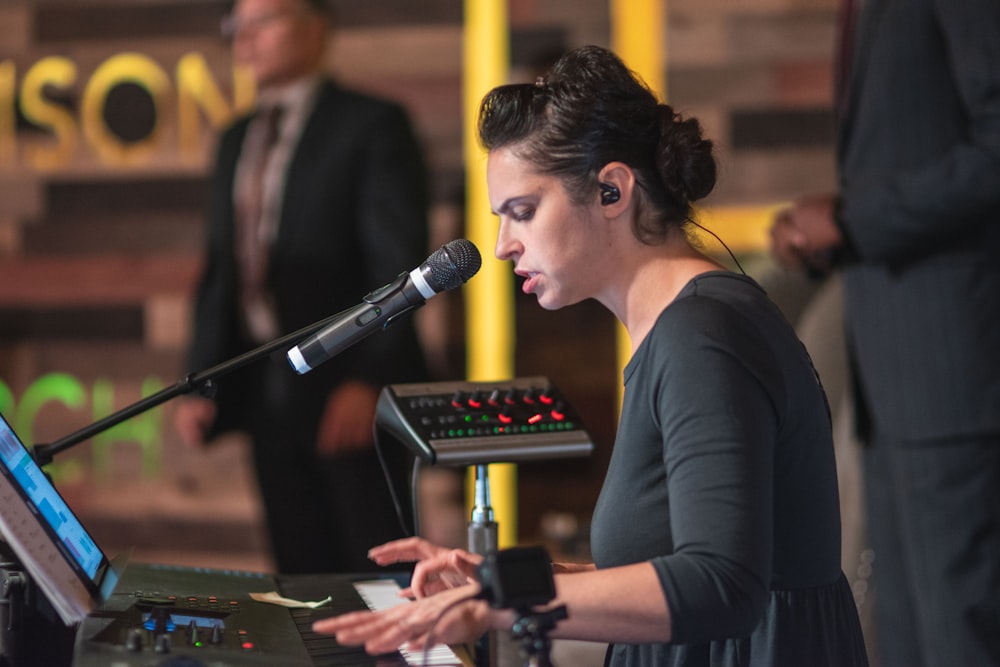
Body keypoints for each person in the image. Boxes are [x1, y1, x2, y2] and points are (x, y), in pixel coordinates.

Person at [311, 45, 869, 666]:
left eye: (522, 213)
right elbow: (672, 563)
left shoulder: (702, 338)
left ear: (611, 191)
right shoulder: (688, 328)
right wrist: (506, 581)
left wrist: (502, 606)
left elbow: (721, 585)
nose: (501, 246)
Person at [769, 0, 1000, 664]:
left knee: (958, 633)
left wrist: (854, 219)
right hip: (896, 378)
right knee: (905, 638)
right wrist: (838, 226)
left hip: (949, 373)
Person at [173, 0, 430, 574]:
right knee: (299, 570)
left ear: (316, 28)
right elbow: (223, 269)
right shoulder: (236, 136)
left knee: (377, 569)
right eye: (236, 26)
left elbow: (400, 266)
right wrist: (201, 379)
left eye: (263, 21)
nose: (245, 38)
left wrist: (368, 378)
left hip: (347, 388)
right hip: (269, 389)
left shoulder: (372, 124)